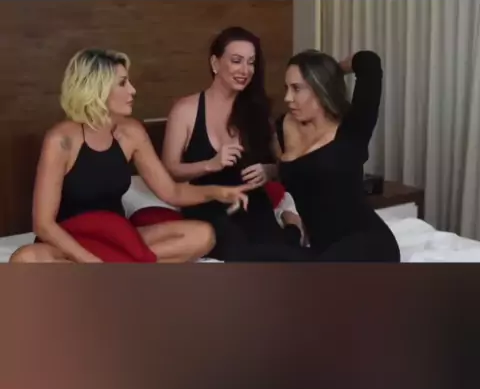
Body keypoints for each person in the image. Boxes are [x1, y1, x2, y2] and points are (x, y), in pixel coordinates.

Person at [9, 48, 249, 264]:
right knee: (25, 259)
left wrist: (217, 192)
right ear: (98, 88)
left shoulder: (132, 133)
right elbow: (43, 224)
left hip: (118, 236)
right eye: (123, 83)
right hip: (69, 241)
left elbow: (172, 192)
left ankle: (115, 271)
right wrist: (90, 261)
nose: (132, 90)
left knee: (203, 234)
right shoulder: (61, 140)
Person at [162, 27, 304, 259]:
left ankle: (292, 226)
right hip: (207, 204)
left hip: (252, 203)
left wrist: (269, 171)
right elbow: (170, 171)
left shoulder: (258, 111)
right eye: (236, 61)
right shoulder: (185, 110)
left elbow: (283, 165)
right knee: (241, 253)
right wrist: (210, 164)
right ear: (215, 63)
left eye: (251, 62)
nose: (245, 70)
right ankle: (292, 226)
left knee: (287, 257)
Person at [275, 49, 401, 262]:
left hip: (366, 243)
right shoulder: (284, 125)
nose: (288, 98)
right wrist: (270, 170)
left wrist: (334, 70)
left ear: (320, 86)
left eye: (296, 88)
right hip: (323, 251)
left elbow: (369, 62)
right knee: (252, 258)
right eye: (286, 88)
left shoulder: (353, 127)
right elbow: (297, 175)